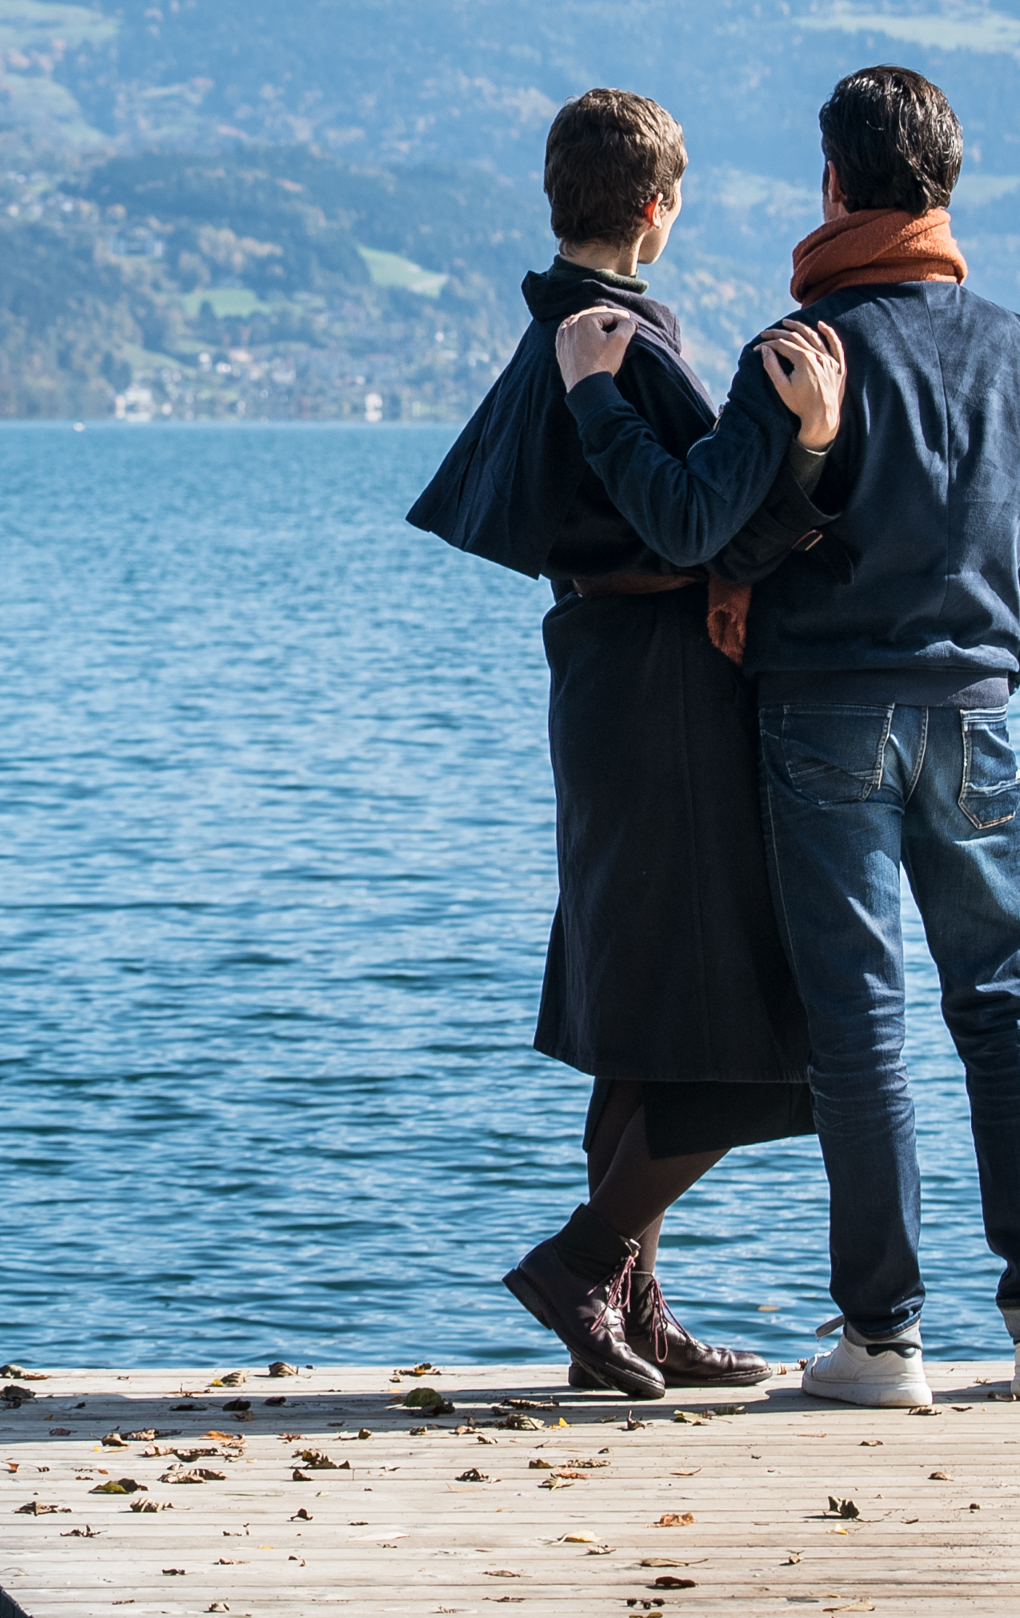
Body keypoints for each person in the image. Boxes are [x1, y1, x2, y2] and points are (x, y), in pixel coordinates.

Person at [550, 64, 1020, 1411]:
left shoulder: (797, 348)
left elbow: (710, 530)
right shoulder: (1019, 348)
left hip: (823, 718)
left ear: (835, 186)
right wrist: (986, 659)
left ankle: (883, 1340)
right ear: (944, 187)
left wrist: (613, 412)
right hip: (972, 717)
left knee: (860, 1027)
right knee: (1002, 1007)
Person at [409, 87, 849, 1397]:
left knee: (646, 1010)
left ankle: (636, 1312)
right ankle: (587, 1258)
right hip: (665, 695)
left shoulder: (552, 333)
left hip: (603, 679)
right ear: (660, 207)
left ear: (563, 197)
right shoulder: (617, 344)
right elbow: (696, 525)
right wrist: (805, 463)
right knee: (723, 1007)